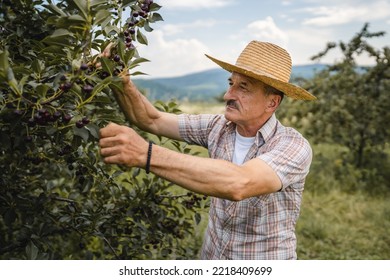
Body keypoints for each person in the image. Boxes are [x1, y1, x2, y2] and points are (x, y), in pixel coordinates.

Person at [99, 40, 316, 260]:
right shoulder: (216, 126)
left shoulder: (293, 146)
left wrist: (145, 154)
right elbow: (151, 119)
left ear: (272, 103)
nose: (228, 95)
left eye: (243, 87)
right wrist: (121, 79)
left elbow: (240, 183)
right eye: (231, 83)